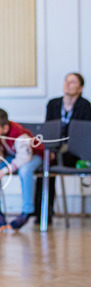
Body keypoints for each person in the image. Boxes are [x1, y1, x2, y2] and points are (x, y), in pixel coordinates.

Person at [34, 72, 91, 223]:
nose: (67, 84)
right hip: (54, 150)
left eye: (72, 82)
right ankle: (42, 213)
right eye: (66, 81)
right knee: (44, 166)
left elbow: (82, 135)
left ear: (80, 88)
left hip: (74, 153)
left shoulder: (85, 106)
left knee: (49, 163)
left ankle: (44, 213)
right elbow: (49, 130)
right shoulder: (53, 104)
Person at [0, 108, 44, 231]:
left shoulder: (19, 134)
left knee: (25, 171)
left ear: (5, 128)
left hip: (33, 156)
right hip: (13, 157)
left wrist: (4, 171)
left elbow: (24, 158)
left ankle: (26, 212)